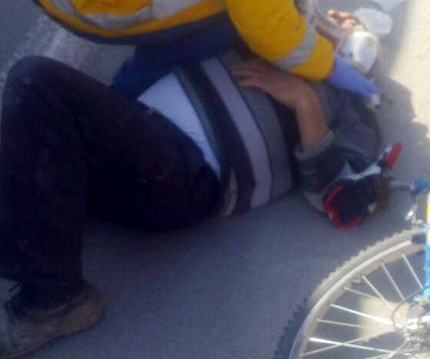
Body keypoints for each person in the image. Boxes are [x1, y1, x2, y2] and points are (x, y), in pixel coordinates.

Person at [0, 42, 398, 356]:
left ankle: (56, 300)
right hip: (132, 126)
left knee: (36, 82)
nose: (341, 22)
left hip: (187, 173)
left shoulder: (351, 112)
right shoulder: (278, 41)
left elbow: (343, 200)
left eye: (353, 35)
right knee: (27, 137)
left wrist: (304, 101)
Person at [2, 0, 378, 98]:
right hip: (107, 8)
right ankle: (133, 88)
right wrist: (326, 65)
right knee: (235, 9)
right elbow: (263, 25)